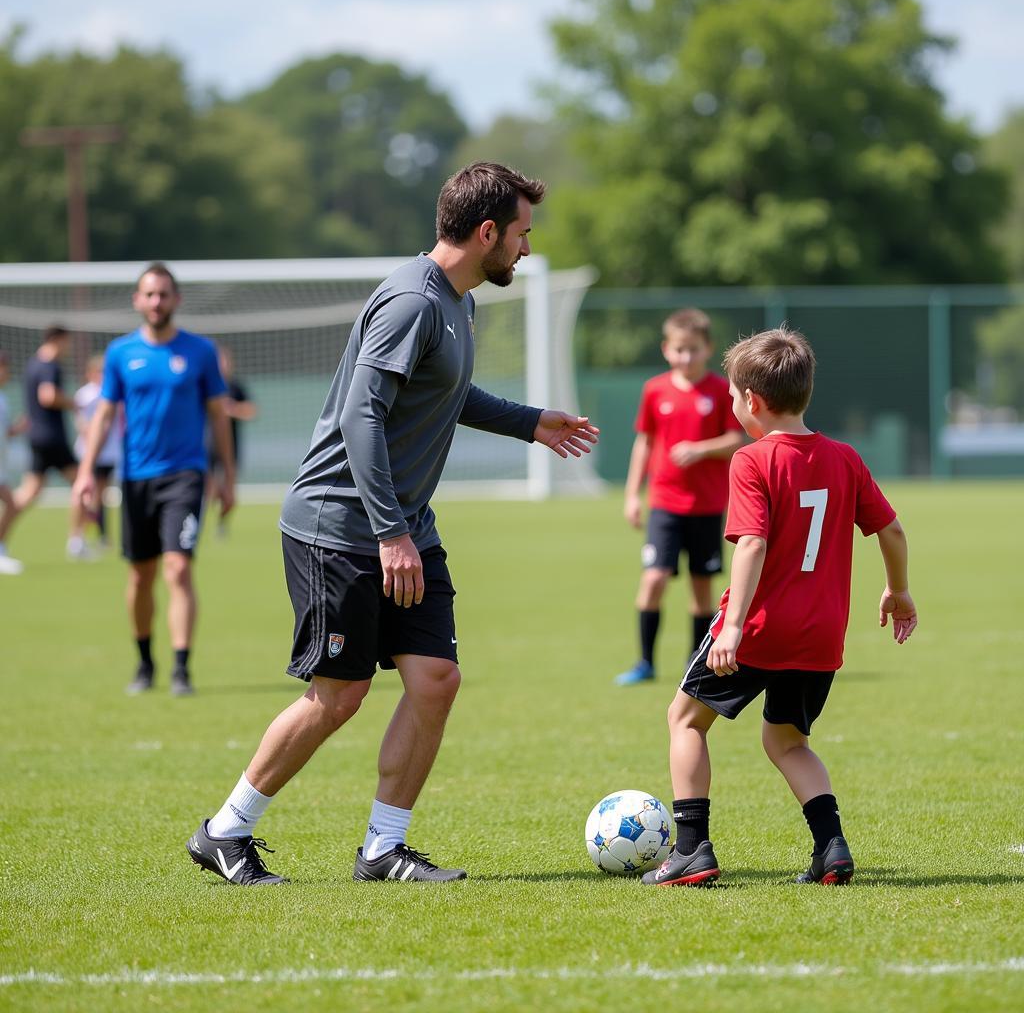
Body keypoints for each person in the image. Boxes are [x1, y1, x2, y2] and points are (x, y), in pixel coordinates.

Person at [185, 162, 600, 887]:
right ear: (487, 232)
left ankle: (383, 848)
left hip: (404, 526)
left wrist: (532, 423)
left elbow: (449, 393)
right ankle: (225, 831)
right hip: (340, 527)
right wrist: (389, 533)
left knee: (435, 679)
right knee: (338, 695)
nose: (527, 250)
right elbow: (360, 415)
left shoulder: (456, 303)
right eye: (523, 234)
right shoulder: (412, 301)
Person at [641, 328, 917, 888]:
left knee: (685, 719)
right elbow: (890, 530)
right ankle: (831, 849)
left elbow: (752, 543)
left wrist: (734, 626)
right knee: (786, 740)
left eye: (735, 398)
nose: (733, 406)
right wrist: (898, 590)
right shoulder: (844, 458)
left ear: (754, 402)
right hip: (820, 637)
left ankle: (692, 849)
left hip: (762, 628)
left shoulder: (752, 460)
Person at [73, 263, 235, 697]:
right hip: (136, 477)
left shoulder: (200, 352)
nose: (157, 301)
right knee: (140, 577)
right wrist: (87, 471)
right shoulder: (120, 354)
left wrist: (229, 478)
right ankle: (145, 663)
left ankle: (182, 668)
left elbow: (219, 418)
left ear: (176, 300)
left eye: (164, 294)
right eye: (149, 294)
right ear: (137, 301)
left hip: (185, 475)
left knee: (178, 568)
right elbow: (104, 415)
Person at [616, 309, 744, 686]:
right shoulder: (655, 390)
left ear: (708, 349)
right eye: (679, 350)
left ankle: (696, 660)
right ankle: (644, 662)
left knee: (701, 585)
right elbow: (644, 442)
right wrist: (632, 494)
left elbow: (737, 439)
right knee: (654, 578)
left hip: (706, 505)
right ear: (666, 350)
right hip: (665, 503)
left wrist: (700, 449)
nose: (686, 357)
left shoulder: (722, 390)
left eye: (694, 349)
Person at [0, 326, 88, 567]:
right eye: (67, 343)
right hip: (52, 438)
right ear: (57, 340)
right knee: (82, 483)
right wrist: (73, 403)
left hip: (37, 437)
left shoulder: (31, 365)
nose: (68, 348)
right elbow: (47, 396)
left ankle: (1, 543)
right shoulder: (50, 366)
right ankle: (76, 542)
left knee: (28, 493)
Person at [71, 354, 123, 553]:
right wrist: (91, 434)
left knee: (101, 496)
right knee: (85, 494)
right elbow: (81, 421)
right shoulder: (85, 394)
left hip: (109, 454)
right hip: (88, 453)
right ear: (90, 373)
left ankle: (101, 534)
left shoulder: (111, 393)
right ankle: (77, 536)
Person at [205, 345, 256, 536]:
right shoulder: (205, 387)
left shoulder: (236, 387)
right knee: (208, 486)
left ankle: (221, 523)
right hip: (208, 444)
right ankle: (200, 520)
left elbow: (251, 411)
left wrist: (232, 410)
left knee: (228, 487)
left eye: (225, 362)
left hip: (231, 446)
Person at [0, 350, 28, 575]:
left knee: (11, 505)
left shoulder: (3, 398)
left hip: (1, 467)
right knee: (11, 504)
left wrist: (17, 429)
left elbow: (5, 432)